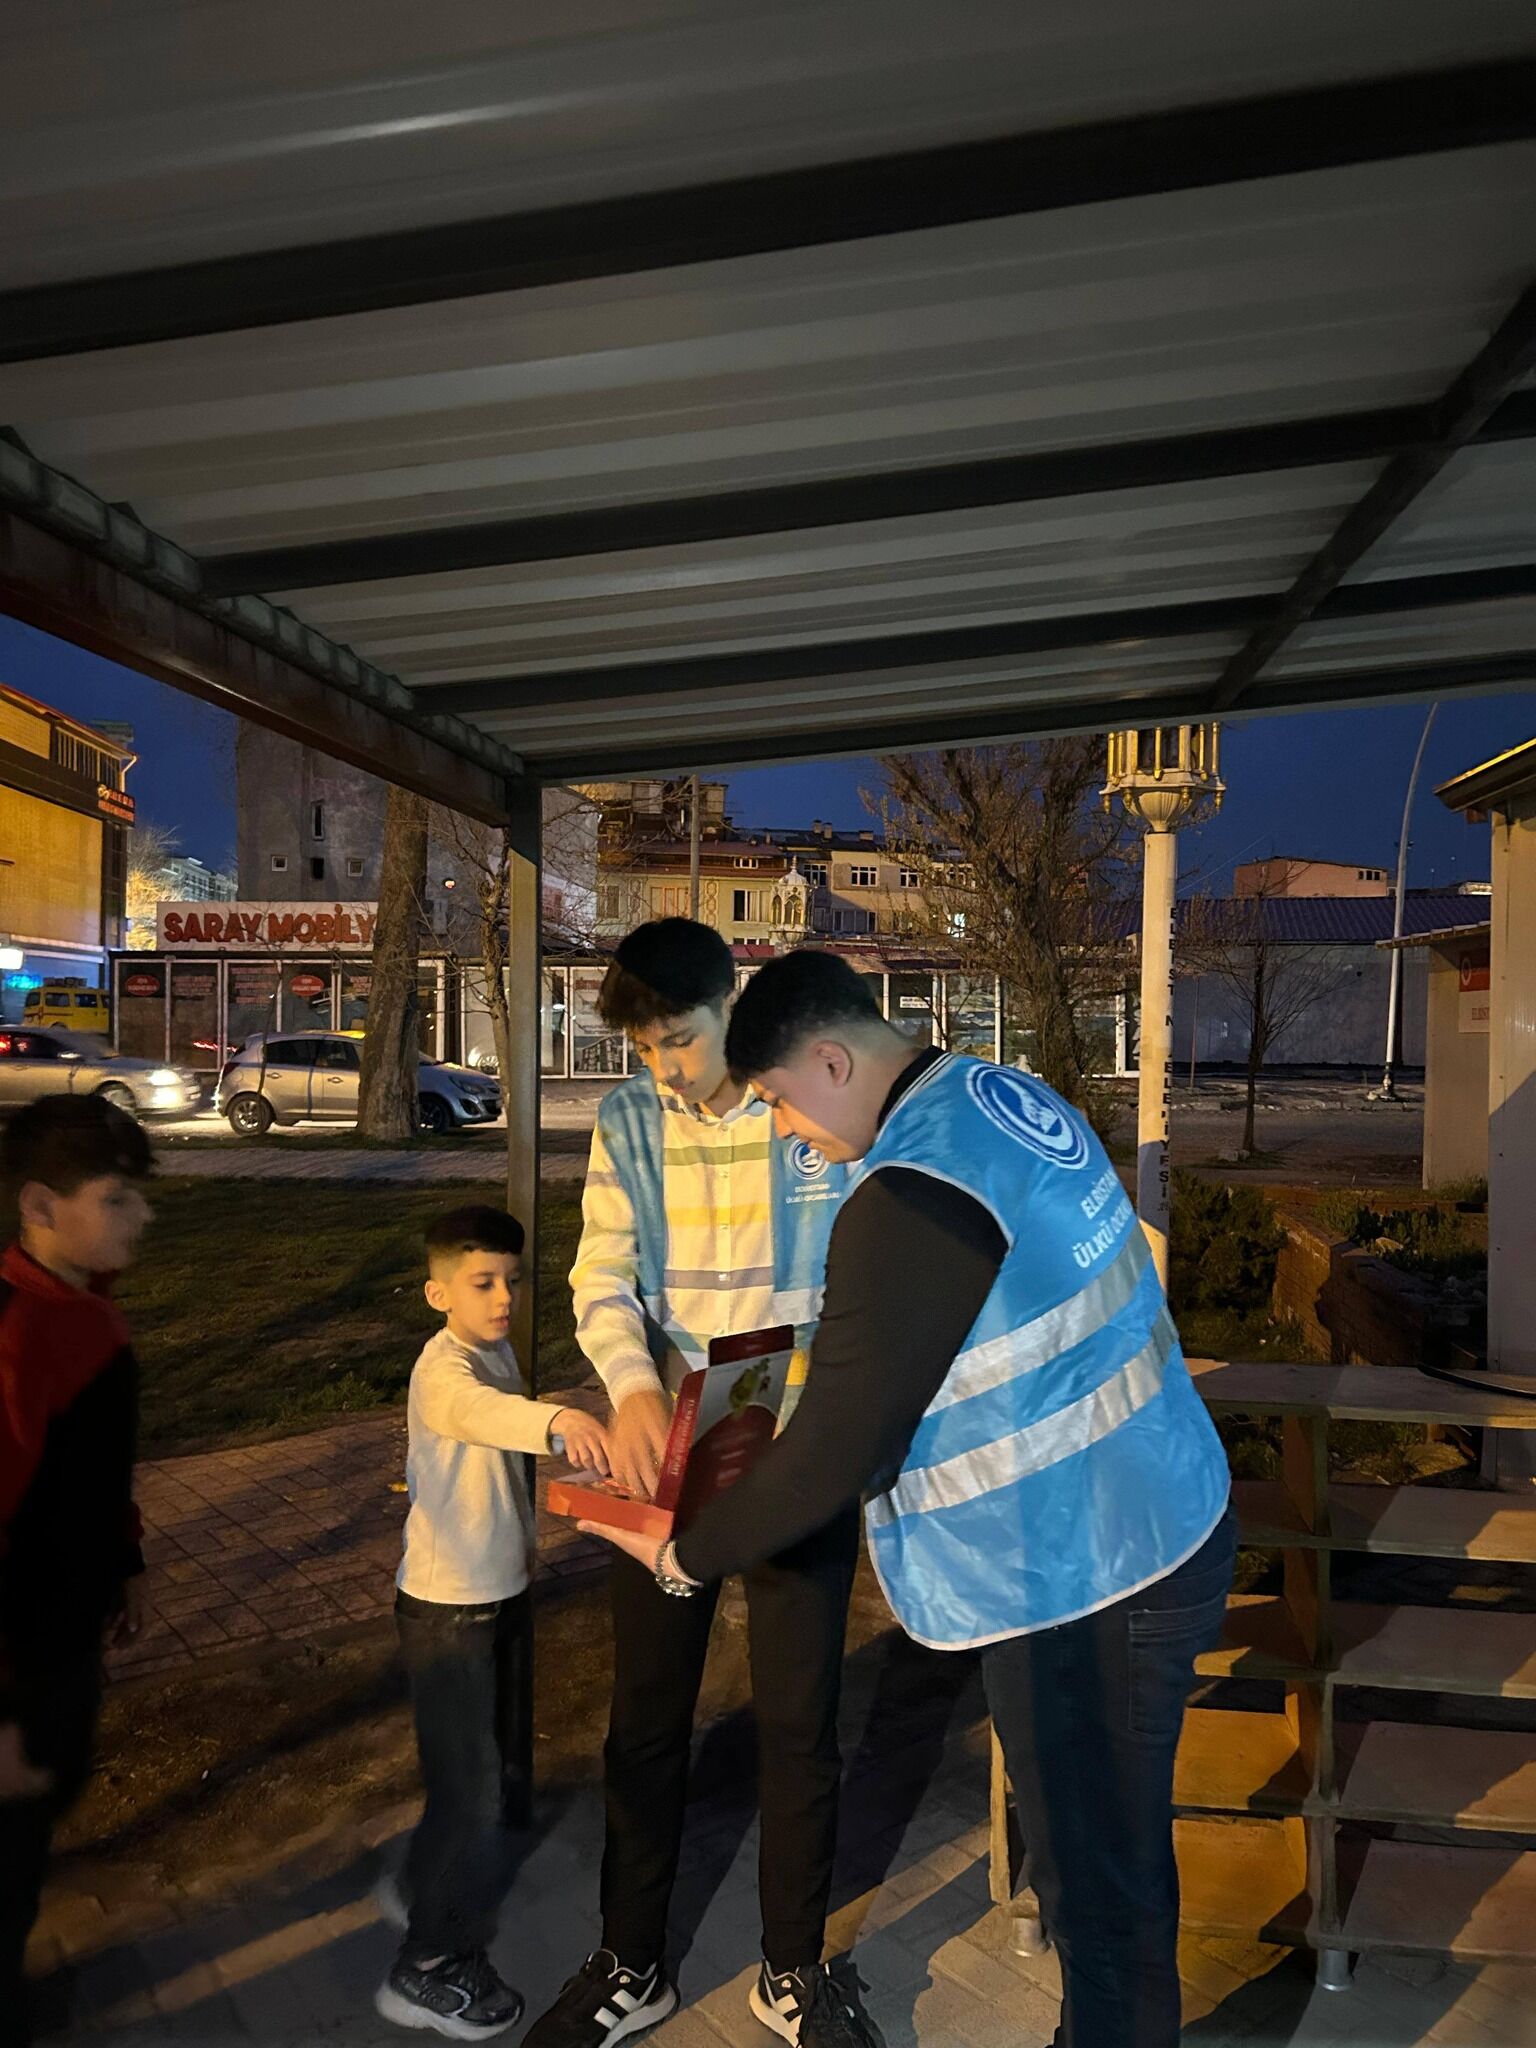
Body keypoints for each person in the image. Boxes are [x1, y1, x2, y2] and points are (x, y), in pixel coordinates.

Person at [584, 951, 1236, 2048]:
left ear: (833, 1058)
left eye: (786, 1100)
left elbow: (836, 1447)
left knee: (1100, 1890)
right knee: (1114, 1872)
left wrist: (688, 1553)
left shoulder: (908, 1199)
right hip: (1155, 1514)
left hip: (1088, 1578)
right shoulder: (994, 1092)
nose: (787, 1134)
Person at [526, 920, 874, 2048]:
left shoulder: (806, 1108)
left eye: (679, 1038)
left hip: (797, 1447)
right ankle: (633, 1958)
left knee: (798, 1717)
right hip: (675, 1454)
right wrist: (628, 1382)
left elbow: (865, 1265)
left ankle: (793, 1968)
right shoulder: (628, 1121)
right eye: (645, 1048)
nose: (666, 1067)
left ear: (732, 1000)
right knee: (647, 1718)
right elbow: (601, 1272)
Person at [376, 1204, 612, 2042]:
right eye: (482, 1283)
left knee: (484, 1775)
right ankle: (428, 1966)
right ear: (439, 1293)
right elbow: (481, 1415)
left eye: (512, 1280)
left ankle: (418, 1884)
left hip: (498, 1595)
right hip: (450, 1614)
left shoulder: (496, 1351)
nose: (503, 1296)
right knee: (469, 1790)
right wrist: (558, 1421)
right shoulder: (444, 1371)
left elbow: (508, 1418)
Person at [0, 1097, 152, 2048]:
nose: (141, 1217)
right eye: (117, 1198)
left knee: (35, 1828)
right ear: (41, 1206)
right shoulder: (20, 1336)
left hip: (63, 1636)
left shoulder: (86, 1310)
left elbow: (97, 1470)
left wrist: (127, 1564)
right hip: (19, 1667)